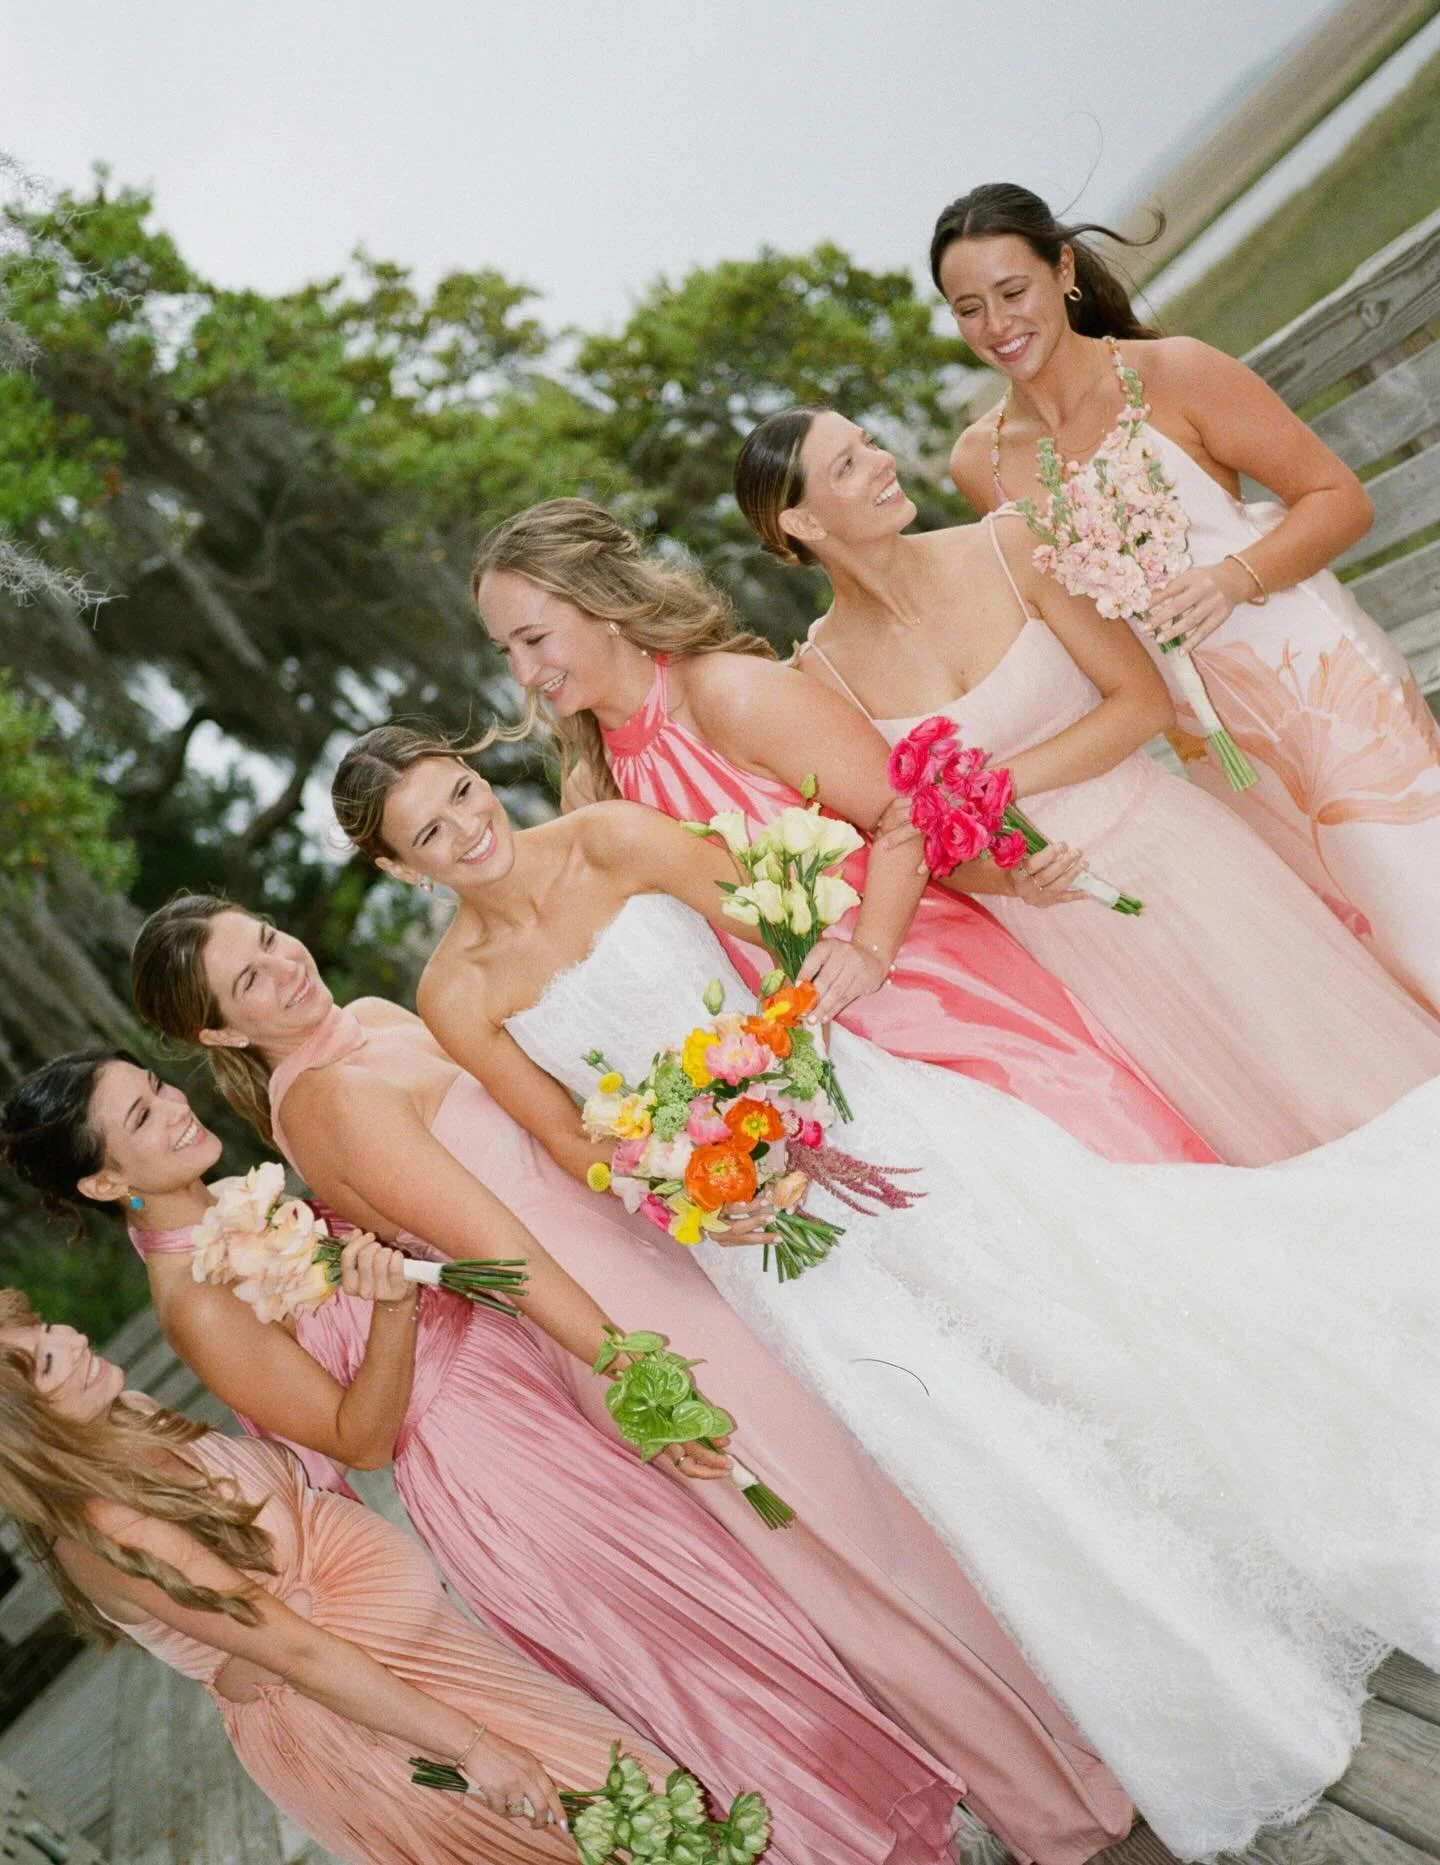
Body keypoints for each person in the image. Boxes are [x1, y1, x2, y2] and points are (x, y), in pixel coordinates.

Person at [326, 733, 1440, 1863]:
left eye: (462, 791)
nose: (468, 826)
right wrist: (683, 1188)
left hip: (851, 1111)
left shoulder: (611, 835)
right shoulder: (452, 991)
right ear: (402, 867)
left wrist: (777, 1060)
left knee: (1068, 1309)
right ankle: (1193, 1646)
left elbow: (790, 926)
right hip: (743, 1221)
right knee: (957, 1420)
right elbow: (571, 1135)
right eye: (430, 832)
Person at [2, 1048, 966, 1865]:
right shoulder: (197, 1296)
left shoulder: (232, 1210)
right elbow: (355, 1439)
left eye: (158, 1087)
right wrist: (392, 1308)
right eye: (140, 1113)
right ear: (102, 1181)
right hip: (488, 1478)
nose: (173, 1106)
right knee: (688, 1666)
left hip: (511, 1403)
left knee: (734, 1615)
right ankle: (836, 1834)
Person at [730, 403, 1440, 1165]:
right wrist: (1012, 883)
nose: (882, 462)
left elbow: (1140, 703)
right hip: (1060, 925)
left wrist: (993, 780)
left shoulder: (1009, 544)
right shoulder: (821, 676)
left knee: (1335, 1058)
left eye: (869, 441)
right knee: (1249, 1113)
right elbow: (912, 837)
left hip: (1172, 848)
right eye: (847, 464)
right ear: (802, 524)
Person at [471, 496, 1215, 1167]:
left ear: (601, 604)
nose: (525, 672)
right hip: (818, 1058)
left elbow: (905, 809)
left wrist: (870, 952)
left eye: (534, 638)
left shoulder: (730, 694)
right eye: (507, 651)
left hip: (930, 986)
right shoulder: (590, 787)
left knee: (1093, 1167)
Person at [936, 181, 1440, 1014]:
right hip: (1212, 747)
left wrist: (1230, 577)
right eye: (968, 308)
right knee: (1355, 952)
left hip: (1321, 692)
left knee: (1421, 899)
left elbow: (1340, 498)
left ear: (1062, 270)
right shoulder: (979, 463)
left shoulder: (1176, 374)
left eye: (1012, 292)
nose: (997, 325)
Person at [0, 1285, 671, 1864]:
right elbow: (295, 1650)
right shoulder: (106, 1530)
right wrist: (475, 1747)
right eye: (52, 1358)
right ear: (30, 1430)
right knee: (630, 1818)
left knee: (647, 1811)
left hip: (429, 1660)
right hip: (376, 1721)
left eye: (47, 1329)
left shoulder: (127, 1414)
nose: (74, 1336)